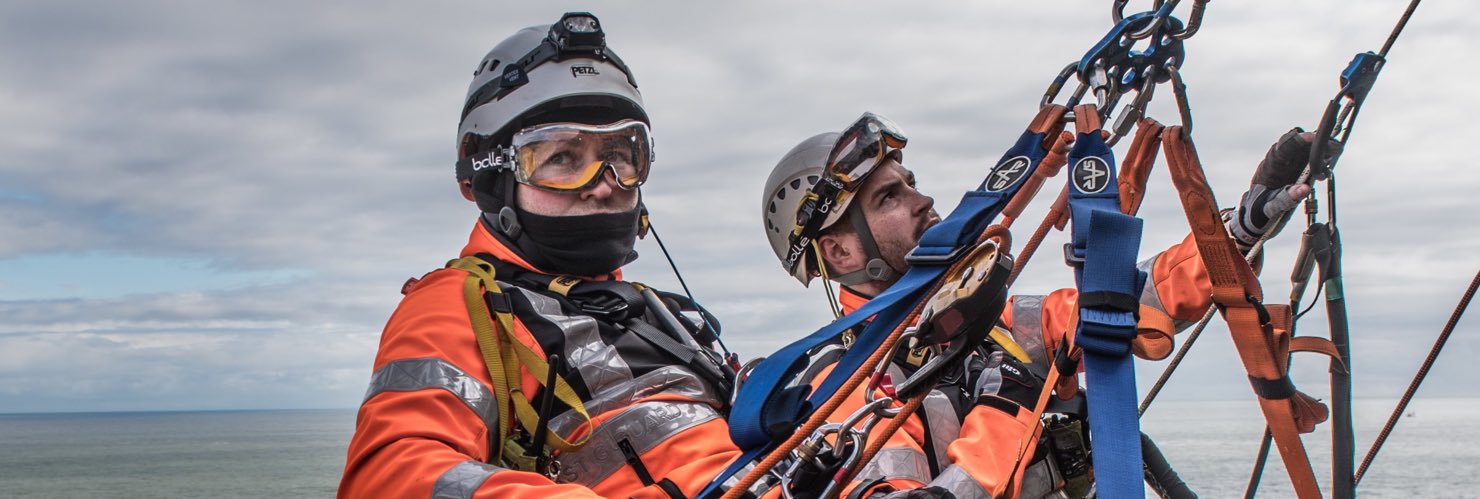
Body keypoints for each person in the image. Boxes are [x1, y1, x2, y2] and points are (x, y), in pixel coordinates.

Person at [340, 13, 1052, 499]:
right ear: (494, 176)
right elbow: (394, 475)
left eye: (623, 157)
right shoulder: (459, 306)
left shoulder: (664, 315)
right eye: (563, 160)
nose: (604, 185)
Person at [760, 112, 1319, 498]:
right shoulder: (846, 389)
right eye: (890, 196)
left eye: (910, 182)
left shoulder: (1002, 324)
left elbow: (1124, 300)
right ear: (838, 249)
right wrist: (1007, 409)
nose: (923, 200)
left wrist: (1239, 229)